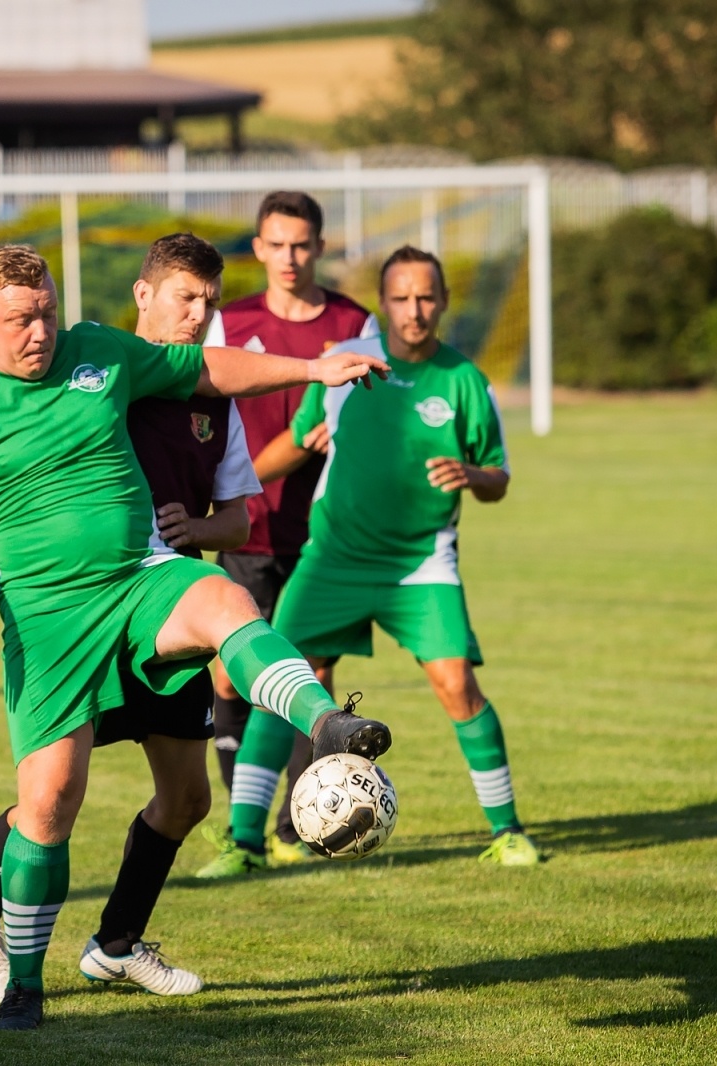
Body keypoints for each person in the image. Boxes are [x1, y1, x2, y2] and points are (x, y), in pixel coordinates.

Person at [0, 243, 394, 1031]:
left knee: (223, 599)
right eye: (22, 319)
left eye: (48, 312)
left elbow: (203, 372)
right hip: (48, 618)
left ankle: (325, 724)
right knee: (49, 802)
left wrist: (313, 369)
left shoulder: (97, 348)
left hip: (140, 579)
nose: (41, 332)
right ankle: (24, 985)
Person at [0, 234, 258, 1003]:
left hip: (161, 610)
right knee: (51, 794)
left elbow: (237, 518)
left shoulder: (207, 401)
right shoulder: (91, 366)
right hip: (78, 611)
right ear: (144, 297)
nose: (196, 317)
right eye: (183, 299)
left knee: (190, 799)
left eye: (208, 302)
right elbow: (22, 456)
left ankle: (117, 944)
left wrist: (200, 533)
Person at [213, 245, 540, 875]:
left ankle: (508, 831)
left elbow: (499, 477)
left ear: (443, 301)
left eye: (425, 297)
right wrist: (232, 487)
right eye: (400, 298)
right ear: (382, 305)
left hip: (421, 564)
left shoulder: (466, 381)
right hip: (332, 558)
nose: (414, 310)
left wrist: (472, 474)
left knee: (457, 686)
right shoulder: (351, 368)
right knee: (280, 685)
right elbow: (297, 441)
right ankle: (244, 843)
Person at [198, 190, 380, 873]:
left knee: (311, 672)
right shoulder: (228, 320)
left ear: (320, 247)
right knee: (227, 675)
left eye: (301, 244)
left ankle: (288, 825)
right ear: (258, 248)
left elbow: (372, 417)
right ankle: (239, 824)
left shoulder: (352, 322)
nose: (289, 257)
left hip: (321, 529)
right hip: (244, 516)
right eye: (276, 244)